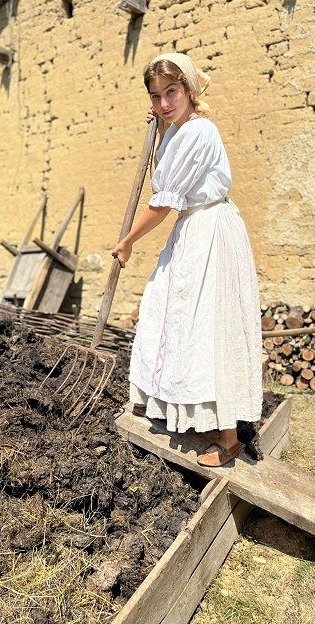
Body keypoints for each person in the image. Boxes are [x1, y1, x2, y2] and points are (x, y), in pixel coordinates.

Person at [111, 52, 263, 467]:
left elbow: (162, 201)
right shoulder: (177, 131)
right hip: (191, 231)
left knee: (211, 326)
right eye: (157, 96)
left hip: (209, 231)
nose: (164, 102)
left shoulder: (199, 131)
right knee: (167, 313)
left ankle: (229, 439)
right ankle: (165, 404)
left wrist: (127, 242)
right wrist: (161, 126)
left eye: (172, 92)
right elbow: (165, 174)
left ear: (190, 90)